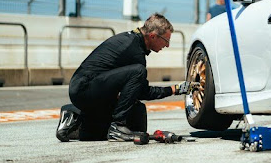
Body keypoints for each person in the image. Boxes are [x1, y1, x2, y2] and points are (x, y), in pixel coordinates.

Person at [56, 13, 193, 142]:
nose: (167, 45)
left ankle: (74, 117)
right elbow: (143, 92)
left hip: (85, 89)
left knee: (137, 118)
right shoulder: (134, 51)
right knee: (138, 72)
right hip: (85, 89)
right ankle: (118, 126)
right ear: (152, 36)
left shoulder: (131, 40)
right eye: (166, 40)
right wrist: (174, 89)